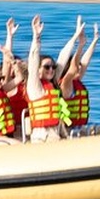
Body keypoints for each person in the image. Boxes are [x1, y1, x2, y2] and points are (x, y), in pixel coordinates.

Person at [26, 15, 71, 143]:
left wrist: (75, 38)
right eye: (46, 67)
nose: (51, 70)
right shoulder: (35, 87)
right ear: (39, 70)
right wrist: (36, 37)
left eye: (53, 67)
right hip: (42, 136)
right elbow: (33, 61)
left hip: (57, 131)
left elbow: (62, 58)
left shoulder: (52, 83)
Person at [60, 22, 99, 137]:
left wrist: (95, 41)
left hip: (79, 127)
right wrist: (80, 45)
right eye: (78, 68)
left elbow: (85, 62)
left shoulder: (77, 82)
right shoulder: (66, 84)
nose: (80, 70)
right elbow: (73, 68)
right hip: (67, 130)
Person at [2, 17, 29, 140]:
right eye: (15, 64)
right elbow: (6, 61)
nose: (17, 66)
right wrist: (9, 36)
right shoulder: (8, 84)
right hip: (15, 129)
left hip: (29, 127)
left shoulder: (29, 84)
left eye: (20, 64)